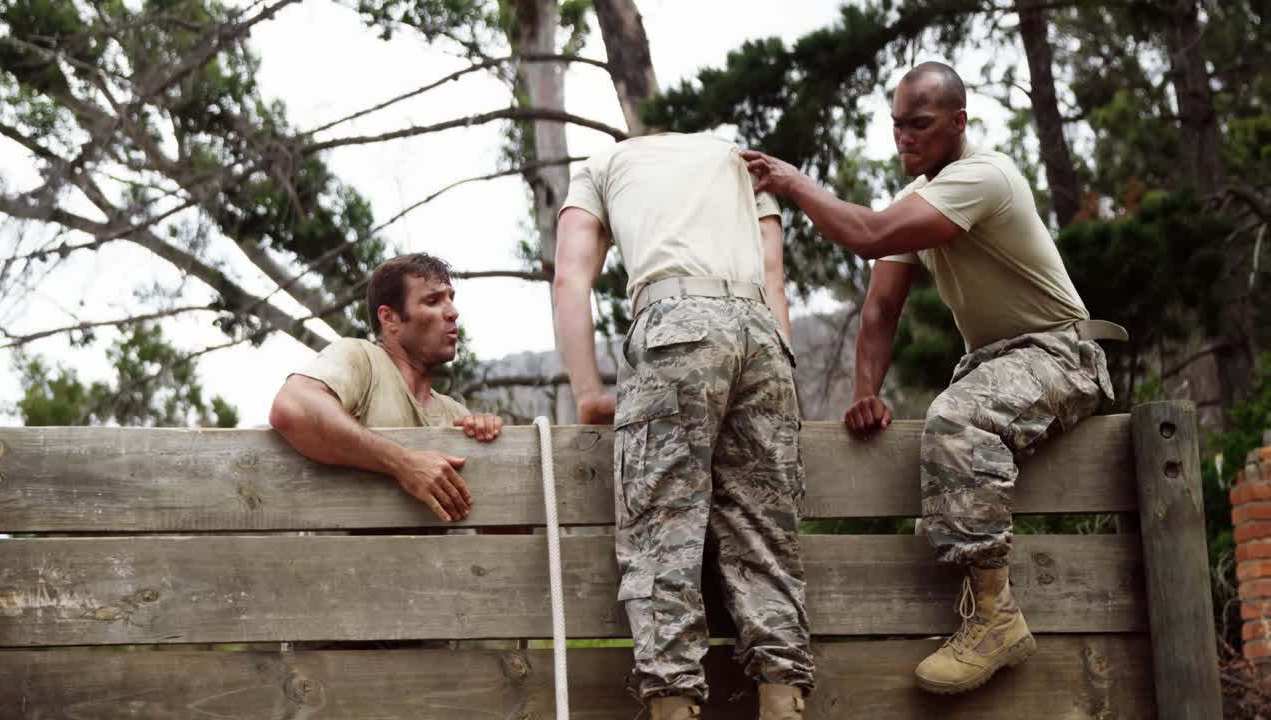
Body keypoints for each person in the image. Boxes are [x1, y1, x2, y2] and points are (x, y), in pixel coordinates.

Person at [741, 61, 1124, 695]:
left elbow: (868, 235)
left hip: (1062, 354)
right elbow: (880, 309)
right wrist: (866, 392)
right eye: (896, 125)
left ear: (958, 122)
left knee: (956, 419)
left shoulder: (982, 176)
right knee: (946, 456)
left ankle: (995, 619)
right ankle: (976, 609)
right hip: (998, 364)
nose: (904, 138)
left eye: (918, 124)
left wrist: (794, 183)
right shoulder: (920, 200)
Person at [555, 132, 813, 720]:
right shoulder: (738, 157)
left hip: (674, 322)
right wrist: (781, 392)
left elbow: (571, 277)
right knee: (764, 532)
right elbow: (773, 275)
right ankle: (784, 700)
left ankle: (673, 704)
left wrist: (589, 391)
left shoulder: (602, 164)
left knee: (661, 531)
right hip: (762, 334)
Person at [269, 252, 504, 524]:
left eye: (451, 299)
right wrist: (403, 463)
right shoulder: (361, 358)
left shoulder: (456, 415)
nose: (452, 312)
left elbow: (502, 528)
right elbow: (291, 407)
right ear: (389, 318)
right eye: (433, 301)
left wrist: (490, 442)